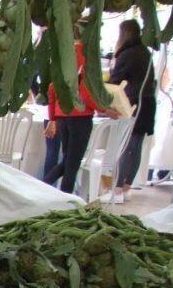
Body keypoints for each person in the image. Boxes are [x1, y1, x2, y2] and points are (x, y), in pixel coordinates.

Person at [41, 28, 107, 195]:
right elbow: (86, 91)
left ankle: (44, 187)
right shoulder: (86, 57)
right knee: (72, 162)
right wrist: (103, 109)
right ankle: (63, 197)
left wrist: (53, 117)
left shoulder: (63, 56)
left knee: (68, 160)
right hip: (80, 116)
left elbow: (52, 88)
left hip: (63, 114)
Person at [106, 20, 155, 203]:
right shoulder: (144, 52)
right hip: (147, 102)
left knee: (127, 146)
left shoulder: (128, 54)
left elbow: (114, 81)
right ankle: (125, 187)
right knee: (136, 147)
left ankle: (117, 188)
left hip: (135, 103)